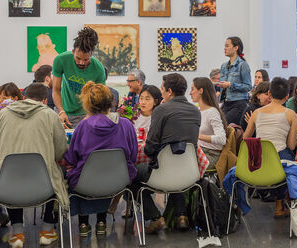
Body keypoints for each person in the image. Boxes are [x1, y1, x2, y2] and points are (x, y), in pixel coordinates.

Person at [0, 83, 68, 248]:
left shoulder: (0, 116)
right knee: (57, 172)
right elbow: (60, 152)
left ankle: (16, 234)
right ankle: (47, 230)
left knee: (12, 174)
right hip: (43, 186)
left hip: (6, 185)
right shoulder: (50, 115)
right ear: (45, 100)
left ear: (23, 97)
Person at [64, 82, 138, 237]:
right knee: (103, 175)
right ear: (111, 101)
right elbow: (132, 156)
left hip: (85, 183)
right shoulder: (126, 124)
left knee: (78, 171)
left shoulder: (82, 127)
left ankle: (83, 223)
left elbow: (72, 159)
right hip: (119, 181)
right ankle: (101, 221)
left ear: (86, 104)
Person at [132, 73, 200, 233]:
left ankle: (156, 218)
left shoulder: (162, 110)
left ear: (169, 91)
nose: (161, 92)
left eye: (162, 89)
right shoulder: (195, 111)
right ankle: (182, 215)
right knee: (174, 167)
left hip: (163, 172)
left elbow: (150, 147)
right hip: (189, 172)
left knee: (131, 174)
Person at [244, 77, 297, 218]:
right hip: (278, 164)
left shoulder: (256, 113)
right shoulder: (290, 114)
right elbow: (292, 145)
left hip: (257, 163)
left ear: (269, 93)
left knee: (281, 160)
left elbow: (245, 139)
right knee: (288, 160)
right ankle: (280, 205)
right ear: (287, 97)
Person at [52, 27, 106, 129]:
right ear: (73, 52)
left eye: (86, 59)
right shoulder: (60, 60)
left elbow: (100, 99)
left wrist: (90, 116)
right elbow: (56, 90)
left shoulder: (98, 69)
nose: (81, 62)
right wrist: (61, 111)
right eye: (78, 58)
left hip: (85, 115)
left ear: (91, 54)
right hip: (62, 111)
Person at [190, 77, 227, 170]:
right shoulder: (198, 111)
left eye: (192, 89)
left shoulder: (212, 112)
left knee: (182, 162)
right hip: (200, 151)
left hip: (211, 155)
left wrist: (197, 136)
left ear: (201, 91)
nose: (190, 93)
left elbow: (222, 139)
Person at [219, 36, 252, 125]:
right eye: (224, 46)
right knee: (218, 125)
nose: (224, 48)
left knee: (225, 126)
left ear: (236, 48)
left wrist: (230, 85)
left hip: (238, 103)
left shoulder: (243, 65)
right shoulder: (223, 66)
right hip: (226, 102)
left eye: (227, 46)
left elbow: (248, 86)